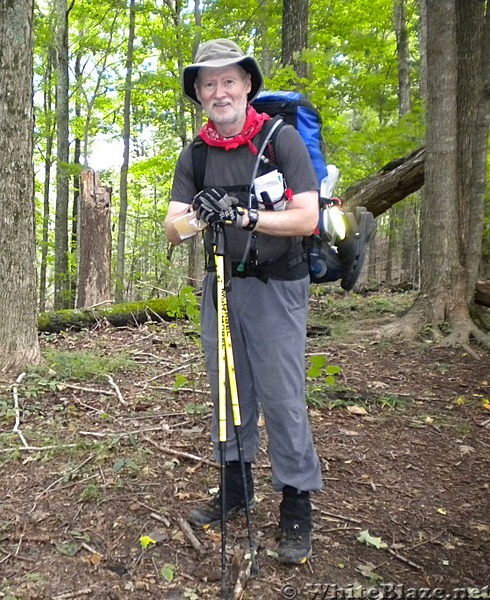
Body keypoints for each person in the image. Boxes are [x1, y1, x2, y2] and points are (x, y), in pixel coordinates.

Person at [164, 39, 323, 565]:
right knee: (229, 389)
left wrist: (246, 217)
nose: (219, 91)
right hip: (222, 283)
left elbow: (307, 218)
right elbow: (173, 229)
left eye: (228, 80)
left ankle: (296, 501)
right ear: (199, 94)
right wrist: (202, 215)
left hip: (278, 284)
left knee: (281, 394)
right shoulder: (196, 154)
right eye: (208, 84)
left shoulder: (281, 141)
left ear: (247, 85)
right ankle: (235, 487)